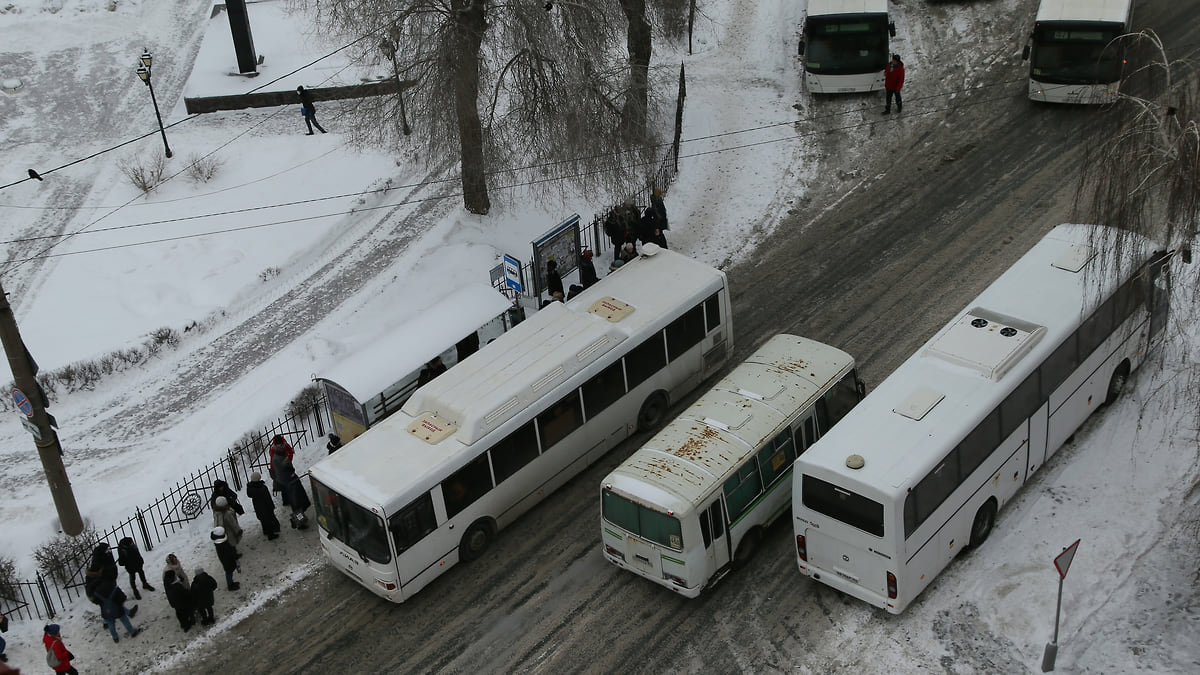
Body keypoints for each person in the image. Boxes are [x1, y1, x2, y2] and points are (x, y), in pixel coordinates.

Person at [96, 578, 140, 643]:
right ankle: (132, 632)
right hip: (118, 609)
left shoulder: (97, 591)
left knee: (111, 624)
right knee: (124, 620)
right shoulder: (113, 587)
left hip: (106, 611)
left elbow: (96, 601)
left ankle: (115, 637)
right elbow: (123, 597)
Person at [246, 471, 281, 540]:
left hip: (258, 506)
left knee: (263, 519)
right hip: (266, 506)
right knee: (269, 519)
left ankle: (265, 531)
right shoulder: (262, 488)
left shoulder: (250, 488)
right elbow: (267, 498)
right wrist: (271, 506)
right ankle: (271, 534)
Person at [163, 567, 196, 632]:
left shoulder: (167, 584)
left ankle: (184, 624)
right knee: (188, 611)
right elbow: (185, 593)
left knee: (180, 614)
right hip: (183, 602)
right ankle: (191, 621)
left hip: (175, 604)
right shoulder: (177, 586)